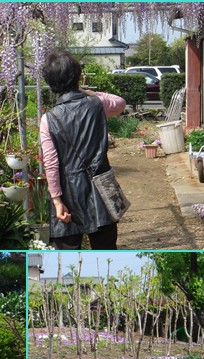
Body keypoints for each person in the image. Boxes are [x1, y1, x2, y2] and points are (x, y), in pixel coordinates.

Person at [40, 51, 126, 250]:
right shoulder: (96, 104)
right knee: (106, 250)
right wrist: (90, 93)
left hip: (68, 192)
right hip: (101, 187)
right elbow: (120, 103)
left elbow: (51, 165)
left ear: (51, 83)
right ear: (77, 76)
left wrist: (57, 200)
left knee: (67, 252)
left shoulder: (49, 119)